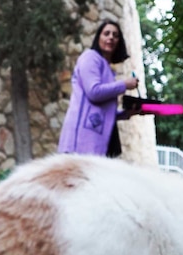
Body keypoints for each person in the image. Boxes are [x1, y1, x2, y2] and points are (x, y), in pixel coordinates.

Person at [57, 20, 138, 157]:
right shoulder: (90, 57)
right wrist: (124, 84)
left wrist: (126, 113)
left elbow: (100, 113)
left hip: (94, 145)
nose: (111, 37)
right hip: (80, 144)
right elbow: (94, 92)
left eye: (115, 35)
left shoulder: (107, 68)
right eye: (106, 33)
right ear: (98, 38)